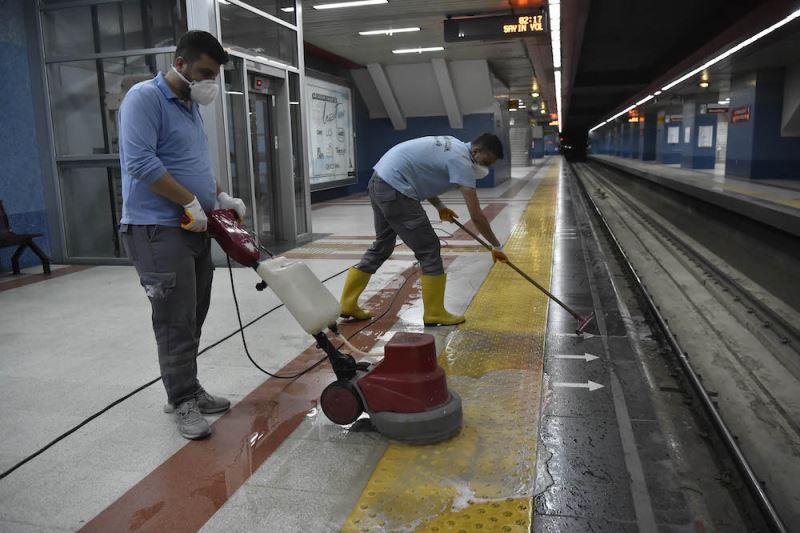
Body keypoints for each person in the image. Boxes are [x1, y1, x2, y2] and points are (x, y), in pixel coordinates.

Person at [118, 31, 246, 440]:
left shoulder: (190, 106)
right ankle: (182, 401)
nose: (211, 81)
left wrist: (219, 194)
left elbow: (197, 162)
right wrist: (189, 201)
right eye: (205, 72)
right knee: (174, 319)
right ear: (180, 62)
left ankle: (187, 387)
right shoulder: (144, 98)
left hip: (194, 227)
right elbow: (139, 161)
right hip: (157, 228)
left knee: (193, 315)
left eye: (215, 74)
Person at [340, 134, 508, 327]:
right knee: (429, 248)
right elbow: (477, 215)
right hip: (396, 190)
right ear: (476, 151)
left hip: (380, 181)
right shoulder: (461, 162)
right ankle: (434, 313)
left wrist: (440, 207)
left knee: (383, 245)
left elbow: (421, 175)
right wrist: (496, 246)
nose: (486, 167)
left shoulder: (453, 144)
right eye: (486, 161)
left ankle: (347, 302)